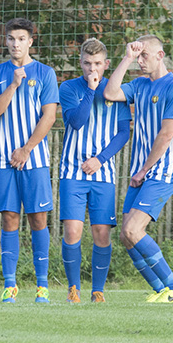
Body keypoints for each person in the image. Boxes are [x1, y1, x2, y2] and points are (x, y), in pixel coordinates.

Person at [103, 35, 173, 303]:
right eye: (137, 56)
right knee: (126, 236)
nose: (140, 61)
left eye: (144, 56)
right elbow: (110, 92)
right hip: (141, 173)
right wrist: (126, 58)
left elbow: (165, 135)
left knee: (132, 231)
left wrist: (142, 170)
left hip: (162, 171)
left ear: (161, 55)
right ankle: (160, 288)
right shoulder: (138, 85)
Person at [0, 18, 59, 303]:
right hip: (5, 161)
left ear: (31, 41)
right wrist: (14, 85)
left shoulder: (45, 73)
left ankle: (42, 285)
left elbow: (49, 116)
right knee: (9, 218)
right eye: (11, 38)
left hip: (35, 159)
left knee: (38, 219)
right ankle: (10, 284)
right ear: (6, 41)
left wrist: (26, 149)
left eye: (21, 39)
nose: (16, 44)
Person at [58, 38, 131, 303]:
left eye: (98, 64)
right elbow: (76, 122)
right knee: (72, 231)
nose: (93, 69)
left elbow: (124, 133)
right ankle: (73, 289)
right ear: (80, 62)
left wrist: (100, 159)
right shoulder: (68, 88)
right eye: (87, 64)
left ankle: (98, 290)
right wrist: (90, 90)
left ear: (107, 64)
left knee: (101, 233)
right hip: (72, 172)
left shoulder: (117, 92)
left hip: (103, 174)